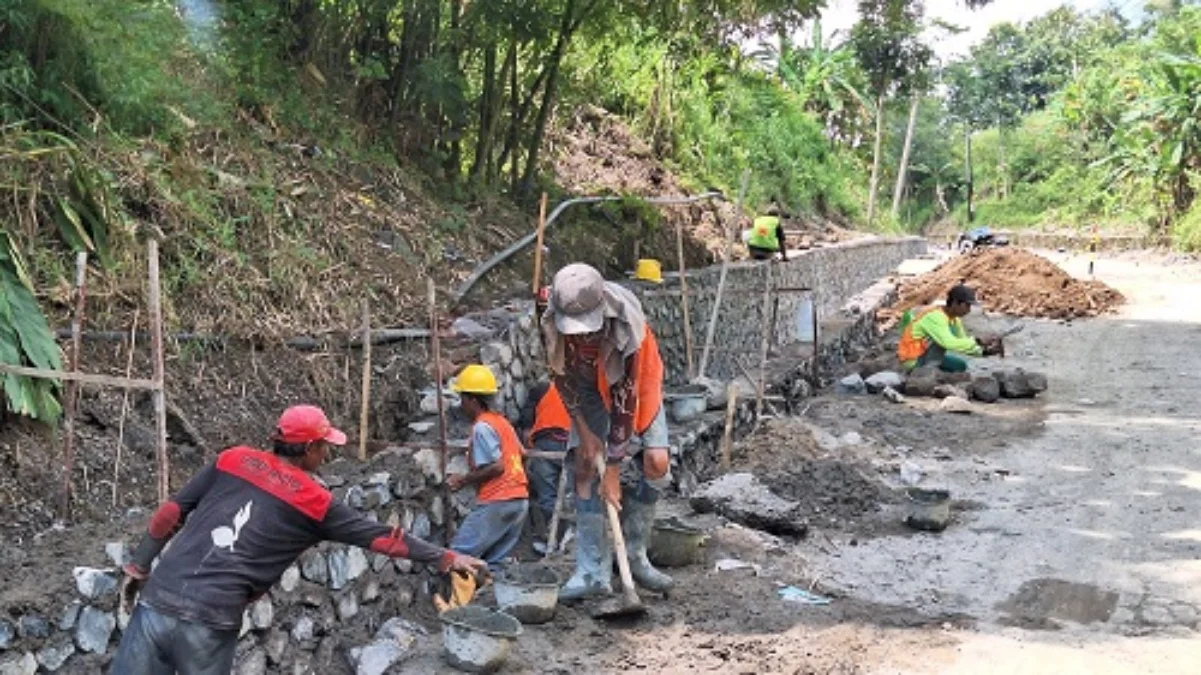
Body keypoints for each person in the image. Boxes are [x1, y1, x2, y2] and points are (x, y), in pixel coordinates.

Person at [111, 405, 485, 675]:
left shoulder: (232, 459)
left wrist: (137, 565)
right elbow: (384, 538)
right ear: (308, 449)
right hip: (209, 619)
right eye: (325, 446)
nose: (328, 453)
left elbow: (169, 513)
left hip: (157, 600)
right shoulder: (315, 503)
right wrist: (446, 558)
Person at [542, 262, 674, 601]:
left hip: (636, 380)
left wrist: (613, 469)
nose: (582, 334)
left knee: (656, 462)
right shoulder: (550, 319)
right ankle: (591, 569)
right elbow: (562, 379)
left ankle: (633, 555)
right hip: (586, 386)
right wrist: (585, 434)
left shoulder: (626, 325)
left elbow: (625, 405)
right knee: (585, 467)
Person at [445, 364, 530, 568]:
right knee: (495, 562)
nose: (462, 404)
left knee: (457, 554)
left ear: (473, 400)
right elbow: (523, 453)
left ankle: (455, 599)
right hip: (519, 499)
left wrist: (463, 480)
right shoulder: (501, 422)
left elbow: (497, 467)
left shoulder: (482, 427)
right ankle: (497, 598)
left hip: (498, 500)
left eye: (463, 398)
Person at [516, 379, 571, 548]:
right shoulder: (584, 388)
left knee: (547, 495)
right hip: (574, 444)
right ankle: (569, 539)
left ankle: (553, 538)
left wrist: (527, 442)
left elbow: (526, 421)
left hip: (545, 443)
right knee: (572, 494)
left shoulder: (543, 387)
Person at [898, 284, 1001, 373]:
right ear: (955, 303)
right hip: (913, 359)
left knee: (960, 366)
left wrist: (984, 351)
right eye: (967, 306)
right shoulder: (935, 317)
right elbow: (949, 343)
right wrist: (978, 341)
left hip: (926, 355)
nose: (969, 310)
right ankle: (924, 374)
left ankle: (933, 372)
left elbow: (962, 342)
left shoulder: (954, 319)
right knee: (941, 342)